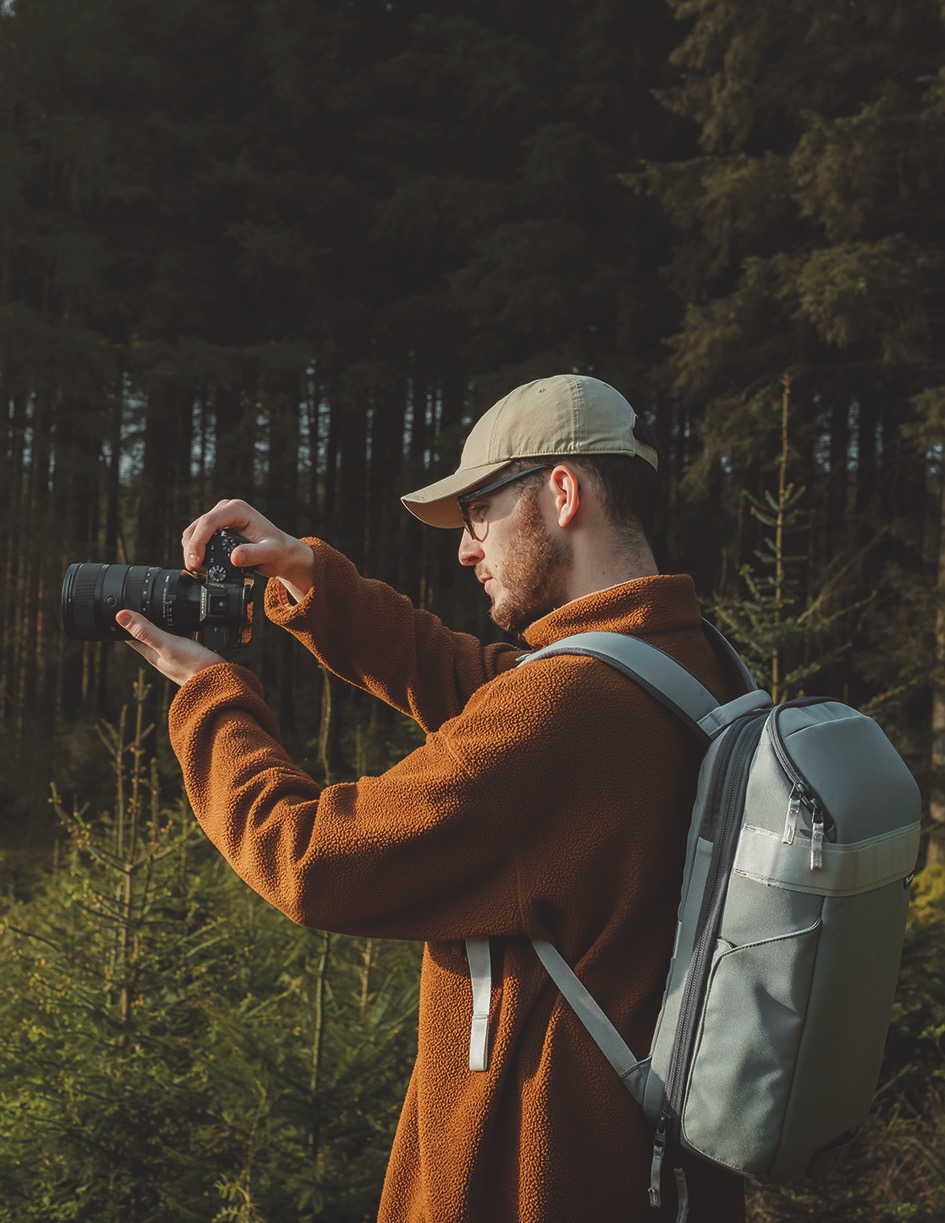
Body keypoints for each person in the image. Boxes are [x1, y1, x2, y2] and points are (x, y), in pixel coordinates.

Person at [118, 374, 745, 1222]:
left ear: (561, 492)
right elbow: (483, 684)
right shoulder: (691, 662)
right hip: (651, 1181)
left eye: (479, 511)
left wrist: (211, 694)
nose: (465, 547)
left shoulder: (567, 708)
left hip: (529, 1188)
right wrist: (312, 578)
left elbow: (310, 857)